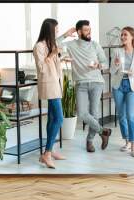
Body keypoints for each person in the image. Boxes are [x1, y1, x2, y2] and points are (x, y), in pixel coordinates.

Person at [58, 20, 112, 153]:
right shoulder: (71, 45)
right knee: (82, 113)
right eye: (86, 30)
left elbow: (105, 63)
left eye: (90, 30)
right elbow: (53, 44)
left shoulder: (95, 45)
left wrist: (98, 65)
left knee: (94, 113)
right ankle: (103, 131)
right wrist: (65, 34)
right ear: (79, 32)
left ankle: (89, 142)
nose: (89, 32)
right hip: (80, 83)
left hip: (96, 82)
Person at [33, 18, 66, 169]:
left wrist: (61, 57)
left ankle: (50, 151)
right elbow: (41, 68)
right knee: (59, 118)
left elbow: (54, 63)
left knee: (52, 118)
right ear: (50, 30)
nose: (57, 32)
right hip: (49, 85)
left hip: (57, 83)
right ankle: (46, 154)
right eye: (56, 29)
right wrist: (52, 54)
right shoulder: (39, 46)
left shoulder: (51, 44)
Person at [110, 26, 134, 157]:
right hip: (118, 86)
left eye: (125, 35)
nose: (123, 37)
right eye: (122, 35)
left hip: (133, 86)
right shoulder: (117, 52)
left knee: (131, 115)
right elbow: (112, 71)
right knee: (121, 116)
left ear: (132, 36)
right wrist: (115, 64)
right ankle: (126, 141)